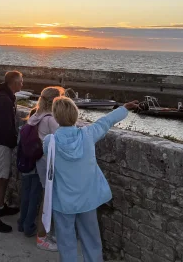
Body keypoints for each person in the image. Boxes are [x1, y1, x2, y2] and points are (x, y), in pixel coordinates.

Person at [43, 97, 139, 262]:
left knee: (66, 242)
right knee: (92, 239)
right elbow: (106, 121)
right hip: (87, 198)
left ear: (56, 117)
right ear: (75, 114)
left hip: (63, 201)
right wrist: (124, 108)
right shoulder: (88, 135)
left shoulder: (49, 142)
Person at [18, 86, 63, 250]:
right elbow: (63, 138)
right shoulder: (50, 119)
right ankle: (42, 236)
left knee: (31, 194)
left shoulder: (35, 115)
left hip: (34, 161)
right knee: (47, 198)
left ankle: (25, 225)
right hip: (45, 162)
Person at [0, 71, 23, 233]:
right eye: (21, 82)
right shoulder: (3, 100)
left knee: (3, 177)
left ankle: (0, 207)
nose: (23, 85)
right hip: (0, 145)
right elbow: (4, 127)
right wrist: (13, 141)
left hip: (1, 144)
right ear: (13, 83)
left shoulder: (4, 96)